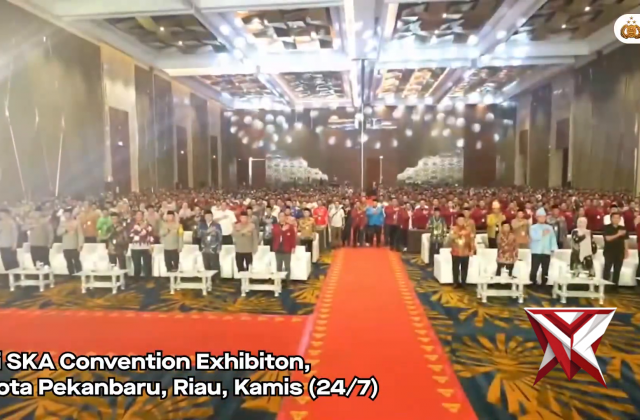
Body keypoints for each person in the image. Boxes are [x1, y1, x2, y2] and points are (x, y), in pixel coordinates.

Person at [529, 208, 558, 288]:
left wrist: (553, 248)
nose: (542, 218)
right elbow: (533, 237)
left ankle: (544, 283)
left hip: (546, 251)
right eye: (540, 217)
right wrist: (542, 233)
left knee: (545, 268)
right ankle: (532, 282)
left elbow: (553, 239)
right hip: (536, 251)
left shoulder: (549, 227)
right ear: (537, 217)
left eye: (544, 217)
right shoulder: (533, 227)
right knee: (534, 268)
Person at [602, 212, 628, 288]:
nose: (616, 219)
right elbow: (607, 238)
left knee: (617, 270)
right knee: (607, 269)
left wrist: (626, 251)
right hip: (609, 252)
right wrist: (618, 234)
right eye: (614, 218)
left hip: (620, 252)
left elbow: (626, 240)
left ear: (620, 219)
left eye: (618, 218)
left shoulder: (623, 228)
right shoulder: (606, 228)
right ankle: (605, 286)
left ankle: (615, 287)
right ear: (611, 219)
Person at [450, 213, 474, 288]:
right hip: (456, 252)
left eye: (462, 220)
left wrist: (472, 250)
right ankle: (455, 282)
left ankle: (464, 282)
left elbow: (471, 240)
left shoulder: (468, 229)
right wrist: (459, 234)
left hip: (465, 252)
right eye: (459, 220)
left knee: (464, 268)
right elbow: (451, 237)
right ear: (456, 221)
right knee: (455, 268)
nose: (461, 221)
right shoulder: (453, 229)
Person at [57, 208, 84, 275]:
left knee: (76, 260)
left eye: (68, 214)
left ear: (71, 214)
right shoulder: (62, 223)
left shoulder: (76, 223)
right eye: (65, 214)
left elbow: (80, 234)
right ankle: (71, 274)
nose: (66, 215)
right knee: (68, 261)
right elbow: (58, 233)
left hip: (74, 245)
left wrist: (80, 244)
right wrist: (65, 230)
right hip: (66, 246)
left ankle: (79, 274)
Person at [129, 210, 154, 279]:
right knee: (137, 266)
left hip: (146, 247)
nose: (139, 216)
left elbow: (151, 235)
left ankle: (148, 280)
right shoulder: (132, 225)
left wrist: (151, 245)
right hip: (135, 248)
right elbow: (131, 235)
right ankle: (137, 280)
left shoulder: (148, 225)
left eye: (140, 215)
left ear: (143, 216)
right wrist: (141, 228)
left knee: (147, 265)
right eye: (137, 215)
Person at [198, 210, 222, 278]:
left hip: (213, 247)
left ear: (212, 217)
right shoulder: (201, 225)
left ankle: (216, 279)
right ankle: (208, 278)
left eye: (209, 216)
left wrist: (219, 247)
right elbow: (198, 234)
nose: (208, 217)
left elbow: (220, 237)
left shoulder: (217, 225)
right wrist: (207, 231)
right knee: (206, 263)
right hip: (204, 247)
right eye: (206, 216)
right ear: (204, 217)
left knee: (215, 263)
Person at [272, 213, 296, 279]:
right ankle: (279, 281)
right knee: (278, 266)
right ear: (278, 217)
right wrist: (282, 230)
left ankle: (287, 281)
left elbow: (293, 238)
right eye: (280, 216)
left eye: (283, 216)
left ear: (285, 217)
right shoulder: (275, 226)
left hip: (287, 249)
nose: (281, 217)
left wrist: (293, 247)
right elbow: (274, 234)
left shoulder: (290, 226)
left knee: (287, 266)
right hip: (278, 248)